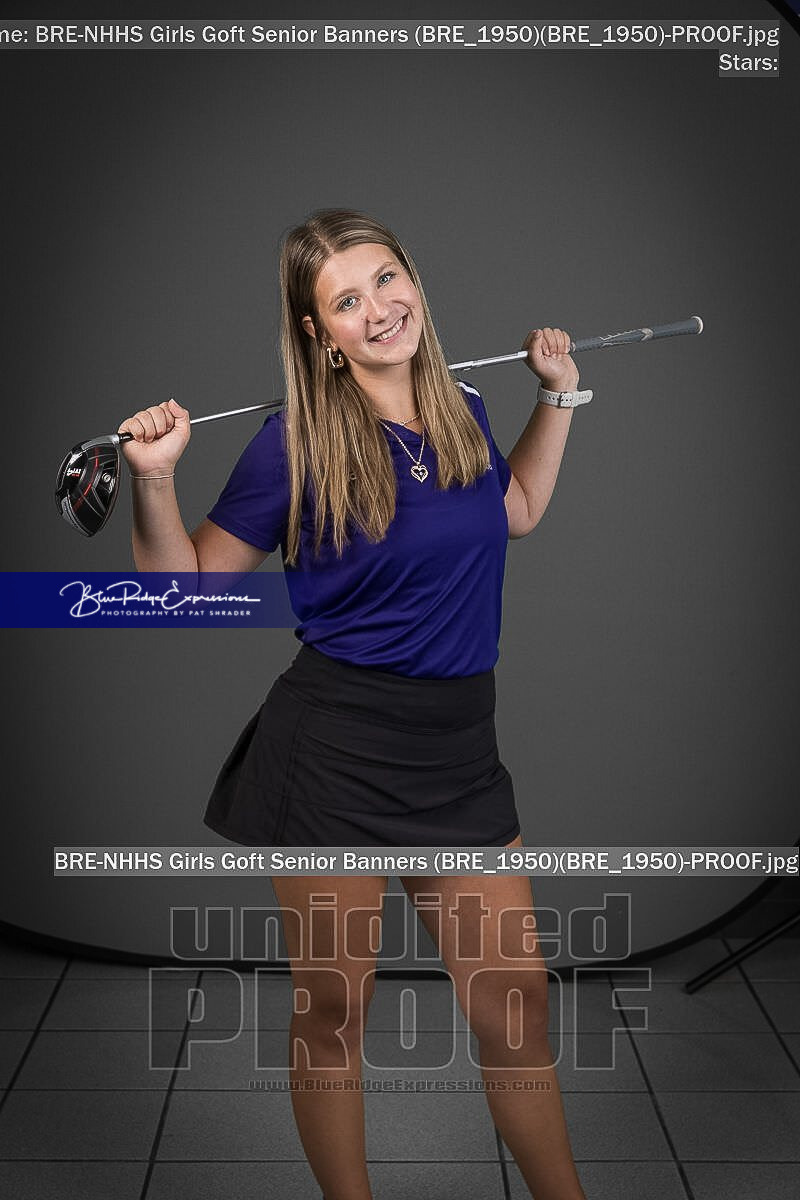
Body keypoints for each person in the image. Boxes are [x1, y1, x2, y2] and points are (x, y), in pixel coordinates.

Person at [119, 209, 590, 1200]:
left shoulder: (463, 405)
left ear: (411, 279)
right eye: (345, 300)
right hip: (336, 756)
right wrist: (154, 485)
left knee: (515, 1008)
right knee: (334, 1015)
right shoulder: (288, 445)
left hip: (458, 752)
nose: (377, 310)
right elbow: (181, 596)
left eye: (384, 280)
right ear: (316, 332)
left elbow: (513, 511)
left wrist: (557, 397)